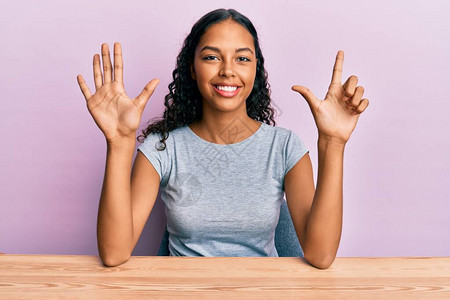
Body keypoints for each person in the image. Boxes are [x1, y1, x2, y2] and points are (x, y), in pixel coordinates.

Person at [76, 8, 369, 269]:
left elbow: (320, 255)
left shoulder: (284, 147)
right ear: (192, 67)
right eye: (212, 57)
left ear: (256, 68)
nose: (228, 70)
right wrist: (119, 142)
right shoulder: (162, 148)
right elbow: (114, 254)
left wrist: (333, 143)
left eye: (242, 58)